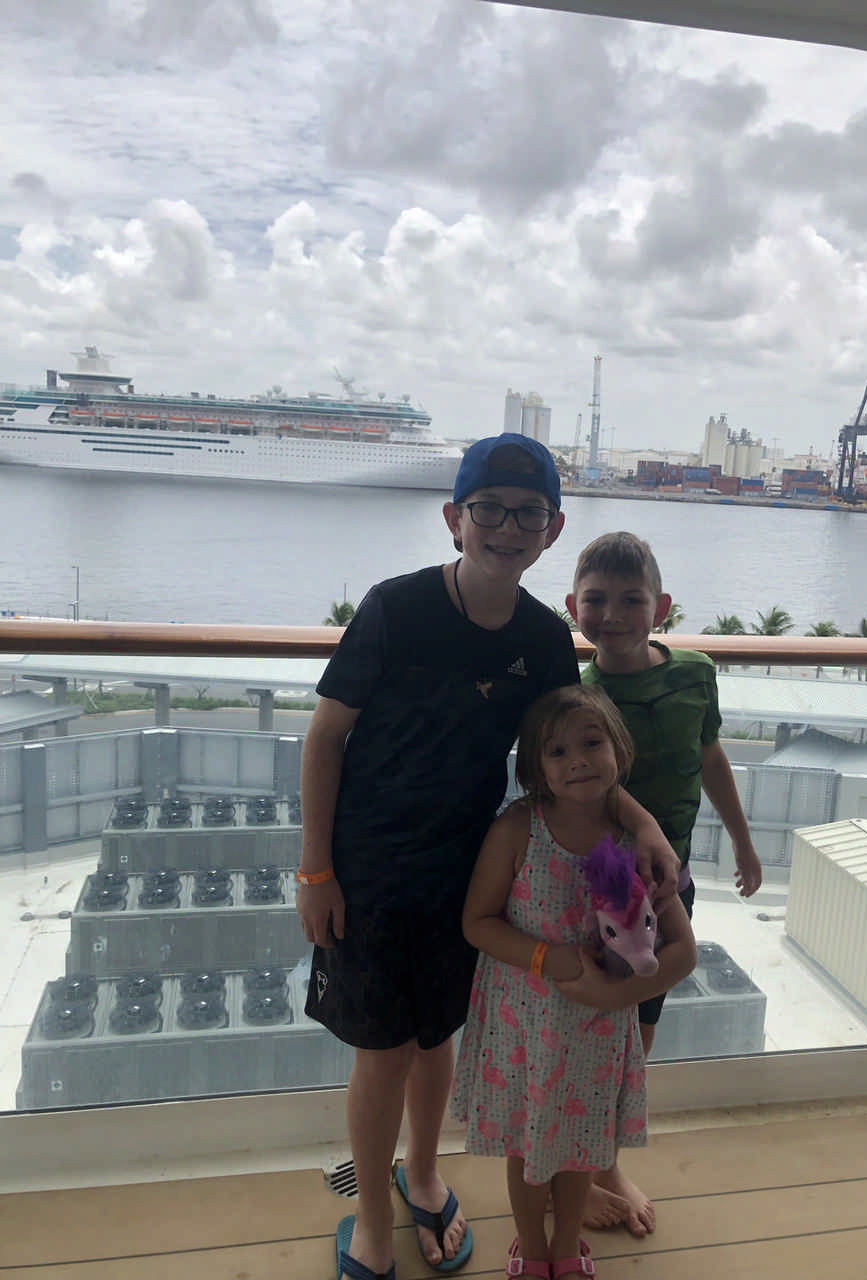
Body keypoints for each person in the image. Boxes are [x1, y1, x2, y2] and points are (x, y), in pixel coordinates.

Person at [296, 439, 679, 1280]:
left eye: (528, 512)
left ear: (552, 529)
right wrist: (315, 870)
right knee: (382, 1048)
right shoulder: (396, 608)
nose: (507, 527)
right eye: (489, 509)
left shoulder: (544, 639)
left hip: (470, 872)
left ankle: (424, 1175)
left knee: (439, 1037)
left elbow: (571, 759)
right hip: (371, 869)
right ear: (454, 519)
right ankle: (368, 1214)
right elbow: (326, 736)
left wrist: (640, 821)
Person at [451, 684, 697, 1280]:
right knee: (528, 1150)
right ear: (536, 768)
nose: (578, 760)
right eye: (557, 752)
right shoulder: (517, 829)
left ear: (620, 749)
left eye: (592, 742)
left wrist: (613, 996)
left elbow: (682, 951)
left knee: (582, 1145)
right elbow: (477, 924)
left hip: (597, 1033)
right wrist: (547, 958)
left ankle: (567, 1248)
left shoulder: (637, 842)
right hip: (524, 1031)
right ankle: (532, 1251)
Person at [565, 530, 763, 1236]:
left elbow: (709, 757)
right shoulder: (576, 694)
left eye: (630, 599)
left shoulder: (694, 675)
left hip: (670, 884)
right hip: (597, 894)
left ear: (662, 607)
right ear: (572, 607)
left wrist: (741, 839)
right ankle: (578, 1168)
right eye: (596, 600)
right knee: (588, 1031)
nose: (611, 614)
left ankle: (603, 1158)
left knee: (638, 1034)